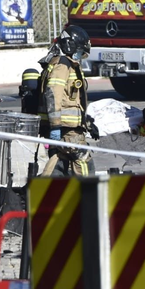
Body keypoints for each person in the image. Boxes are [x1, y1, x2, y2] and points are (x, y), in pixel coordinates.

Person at [36, 26, 99, 177]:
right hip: (65, 126)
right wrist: (55, 125)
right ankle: (88, 193)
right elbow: (53, 94)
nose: (79, 56)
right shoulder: (63, 65)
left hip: (67, 126)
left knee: (60, 157)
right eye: (78, 52)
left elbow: (72, 100)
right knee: (82, 159)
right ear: (69, 46)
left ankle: (40, 191)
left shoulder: (63, 64)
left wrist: (87, 122)